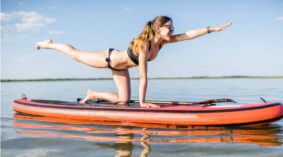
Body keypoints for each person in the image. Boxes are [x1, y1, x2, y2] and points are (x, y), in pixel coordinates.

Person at [36, 16, 232, 108]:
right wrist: (144, 103)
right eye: (169, 27)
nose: (172, 30)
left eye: (172, 27)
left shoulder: (163, 42)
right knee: (75, 53)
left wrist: (210, 29)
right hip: (109, 59)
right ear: (157, 28)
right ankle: (49, 44)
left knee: (124, 101)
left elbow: (188, 35)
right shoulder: (144, 44)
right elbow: (143, 75)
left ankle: (93, 94)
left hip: (121, 69)